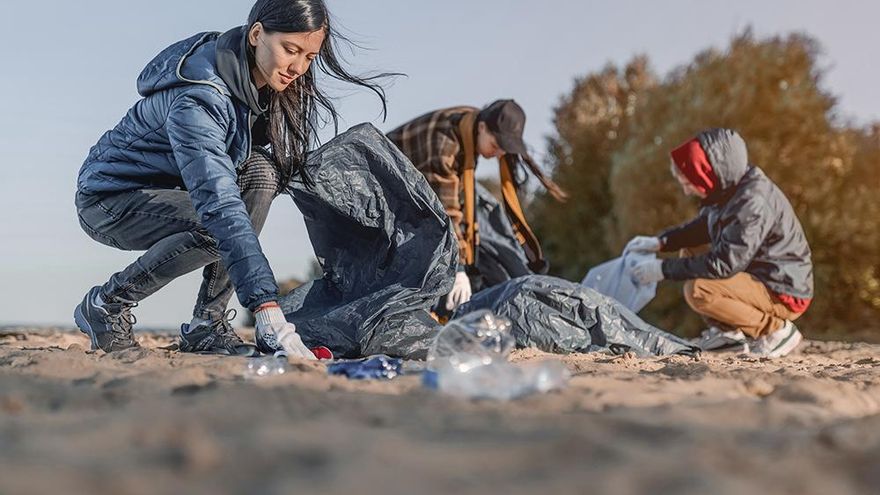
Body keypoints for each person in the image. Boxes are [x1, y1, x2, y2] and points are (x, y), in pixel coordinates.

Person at [73, 0, 388, 357]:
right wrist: (266, 307)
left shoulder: (255, 86)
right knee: (217, 226)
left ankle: (207, 323)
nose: (298, 67)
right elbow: (218, 204)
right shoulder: (200, 99)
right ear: (257, 34)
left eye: (309, 57)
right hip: (109, 199)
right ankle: (106, 304)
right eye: (290, 50)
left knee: (262, 172)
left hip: (169, 191)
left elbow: (249, 178)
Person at [626, 128, 814, 358]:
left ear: (708, 173)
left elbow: (724, 264)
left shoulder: (752, 201)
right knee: (689, 250)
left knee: (698, 290)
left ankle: (775, 331)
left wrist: (662, 269)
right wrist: (660, 242)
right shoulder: (728, 189)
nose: (686, 191)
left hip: (783, 289)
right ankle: (728, 334)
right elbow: (702, 228)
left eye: (688, 182)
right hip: (760, 276)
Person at [387, 100, 567, 311]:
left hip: (418, 190)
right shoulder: (445, 146)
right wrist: (458, 269)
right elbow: (446, 212)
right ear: (483, 128)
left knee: (482, 211)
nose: (500, 153)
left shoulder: (471, 122)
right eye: (496, 145)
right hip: (387, 193)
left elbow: (462, 200)